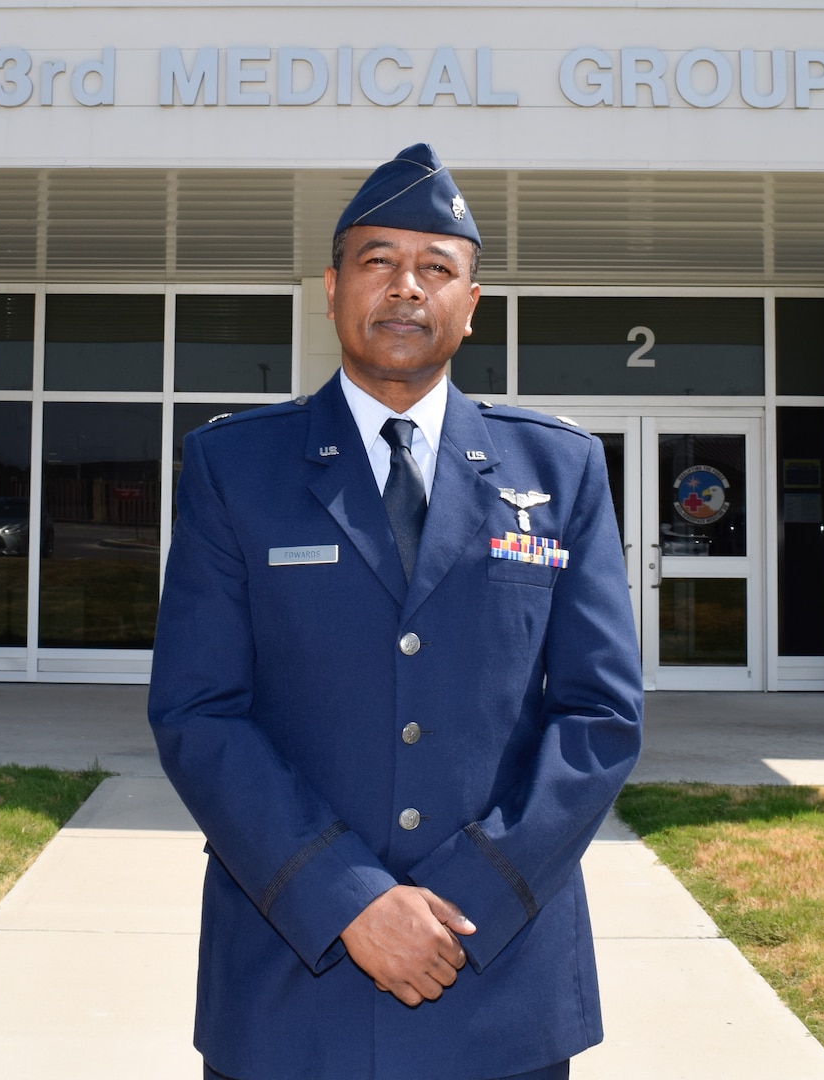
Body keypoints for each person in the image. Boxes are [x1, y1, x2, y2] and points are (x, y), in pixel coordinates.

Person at [148, 143, 643, 1080]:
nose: (405, 287)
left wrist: (465, 901)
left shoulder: (559, 471)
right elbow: (198, 710)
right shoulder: (235, 468)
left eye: (436, 267)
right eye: (378, 261)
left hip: (497, 979)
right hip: (295, 977)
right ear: (331, 289)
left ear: (471, 304)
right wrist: (347, 899)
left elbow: (600, 716)